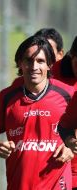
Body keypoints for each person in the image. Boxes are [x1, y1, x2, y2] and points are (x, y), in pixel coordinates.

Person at [0, 35, 74, 190]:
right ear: (20, 63)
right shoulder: (7, 97)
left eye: (40, 61)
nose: (34, 66)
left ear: (50, 64)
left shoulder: (67, 95)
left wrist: (70, 148)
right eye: (28, 60)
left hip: (58, 185)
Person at [55, 36, 77, 190]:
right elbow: (63, 126)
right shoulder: (51, 74)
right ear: (71, 56)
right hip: (60, 167)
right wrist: (69, 140)